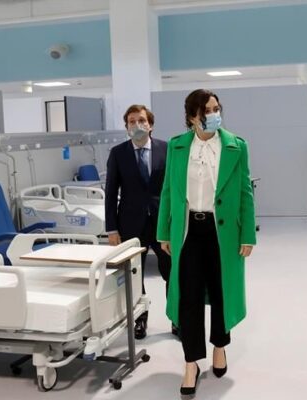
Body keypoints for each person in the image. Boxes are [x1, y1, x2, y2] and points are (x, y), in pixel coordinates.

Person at [157, 89, 256, 396]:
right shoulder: (177, 146)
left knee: (221, 291)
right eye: (207, 111)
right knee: (188, 297)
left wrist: (248, 234)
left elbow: (245, 192)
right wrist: (163, 232)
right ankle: (191, 363)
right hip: (188, 231)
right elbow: (168, 190)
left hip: (221, 231)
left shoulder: (235, 146)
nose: (214, 115)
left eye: (216, 108)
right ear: (192, 117)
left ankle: (220, 346)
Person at [105, 104, 172, 339]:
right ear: (126, 127)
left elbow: (175, 188)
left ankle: (176, 319)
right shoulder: (118, 153)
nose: (137, 125)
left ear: (150, 125)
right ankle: (140, 319)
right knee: (134, 275)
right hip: (130, 224)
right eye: (132, 121)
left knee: (172, 272)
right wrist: (112, 229)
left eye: (141, 120)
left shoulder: (167, 149)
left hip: (163, 223)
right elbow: (111, 192)